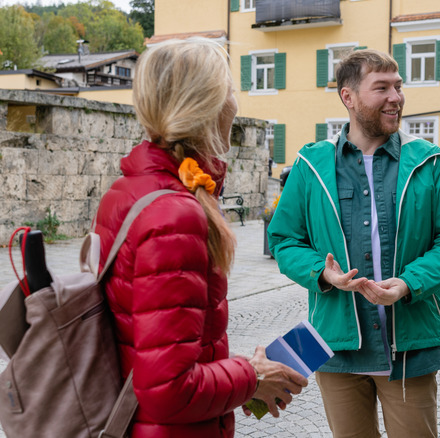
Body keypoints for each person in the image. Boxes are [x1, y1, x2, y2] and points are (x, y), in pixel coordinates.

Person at [93, 38, 307, 437]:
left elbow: (152, 348)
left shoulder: (129, 189)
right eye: (229, 89)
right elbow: (168, 390)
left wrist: (239, 380)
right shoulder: (175, 213)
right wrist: (252, 377)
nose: (235, 103)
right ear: (206, 105)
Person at [267, 49, 440, 438]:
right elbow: (284, 239)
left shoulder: (427, 160)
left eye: (398, 86)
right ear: (348, 97)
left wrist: (408, 283)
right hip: (338, 345)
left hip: (409, 346)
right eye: (381, 88)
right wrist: (322, 272)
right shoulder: (311, 164)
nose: (395, 97)